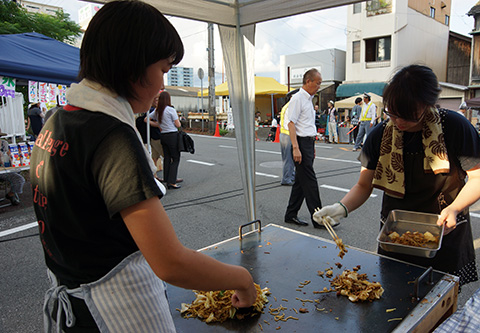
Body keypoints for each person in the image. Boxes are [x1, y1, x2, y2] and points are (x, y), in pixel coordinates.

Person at [31, 2, 256, 332]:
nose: (162, 84)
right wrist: (243, 278)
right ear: (132, 64)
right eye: (163, 69)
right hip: (113, 312)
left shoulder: (57, 121)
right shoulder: (112, 137)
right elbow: (169, 261)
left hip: (75, 311)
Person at [314, 65, 480, 288]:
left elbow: (479, 177)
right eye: (393, 114)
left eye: (408, 116)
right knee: (394, 296)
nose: (399, 123)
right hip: (395, 236)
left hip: (444, 229)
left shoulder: (454, 127)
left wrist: (454, 208)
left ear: (428, 104)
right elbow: (363, 185)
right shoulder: (380, 135)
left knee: (441, 301)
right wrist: (341, 208)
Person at [284, 68, 330, 229]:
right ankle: (319, 218)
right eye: (317, 83)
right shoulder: (297, 98)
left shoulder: (308, 99)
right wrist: (296, 148)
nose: (319, 86)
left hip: (308, 143)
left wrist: (312, 146)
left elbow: (308, 125)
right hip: (300, 143)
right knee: (310, 182)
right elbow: (291, 124)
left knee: (301, 182)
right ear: (308, 81)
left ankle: (290, 214)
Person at [147, 90, 183, 189]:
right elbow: (178, 124)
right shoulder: (170, 110)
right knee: (175, 158)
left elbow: (146, 119)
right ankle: (172, 182)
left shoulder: (157, 110)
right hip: (172, 135)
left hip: (163, 136)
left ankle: (167, 179)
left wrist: (158, 125)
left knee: (167, 158)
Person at [280, 96, 296, 186]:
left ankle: (291, 175)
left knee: (288, 158)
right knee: (288, 159)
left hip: (285, 134)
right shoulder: (291, 107)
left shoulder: (287, 106)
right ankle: (286, 179)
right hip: (288, 134)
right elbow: (291, 123)